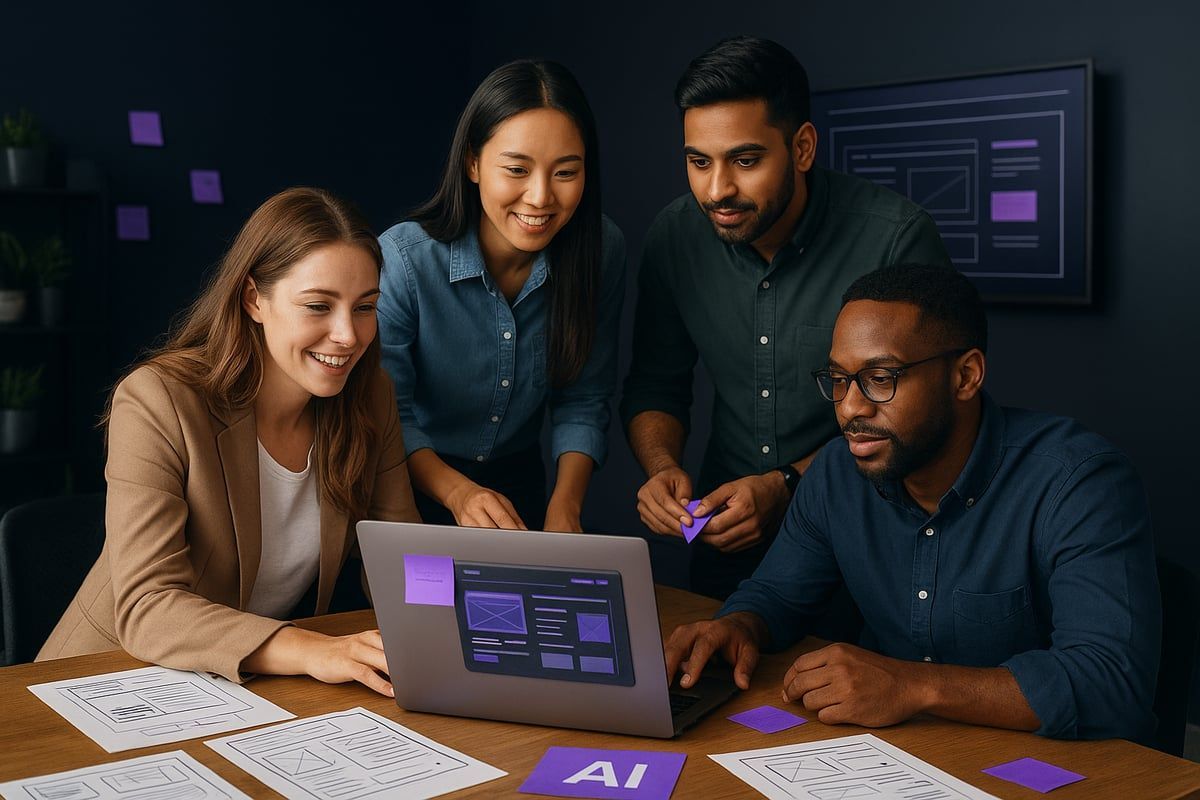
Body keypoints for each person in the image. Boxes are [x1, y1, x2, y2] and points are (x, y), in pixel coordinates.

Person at [663, 263, 1160, 741]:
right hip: (896, 756)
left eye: (882, 378)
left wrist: (911, 686)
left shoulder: (1078, 483)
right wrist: (736, 626)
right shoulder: (836, 472)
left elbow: (1110, 683)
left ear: (966, 376)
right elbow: (778, 597)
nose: (852, 407)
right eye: (839, 380)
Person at [39, 188, 420, 696]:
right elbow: (147, 605)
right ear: (253, 299)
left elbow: (403, 562)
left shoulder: (369, 396)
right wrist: (313, 649)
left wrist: (472, 629)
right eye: (317, 306)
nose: (348, 335)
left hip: (237, 689)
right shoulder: (157, 400)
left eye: (365, 307)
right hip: (102, 680)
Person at [621, 36, 951, 599]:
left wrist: (786, 484)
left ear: (801, 148)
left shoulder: (895, 238)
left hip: (870, 542)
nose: (718, 189)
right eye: (699, 162)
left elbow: (918, 410)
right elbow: (656, 383)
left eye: (745, 161)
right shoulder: (674, 238)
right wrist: (660, 466)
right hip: (731, 546)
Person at [378, 60, 624, 533]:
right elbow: (389, 414)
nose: (539, 197)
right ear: (472, 162)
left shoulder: (601, 249)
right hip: (410, 481)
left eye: (565, 172)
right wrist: (459, 493)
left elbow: (584, 397)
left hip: (522, 487)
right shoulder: (406, 260)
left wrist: (565, 507)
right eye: (516, 169)